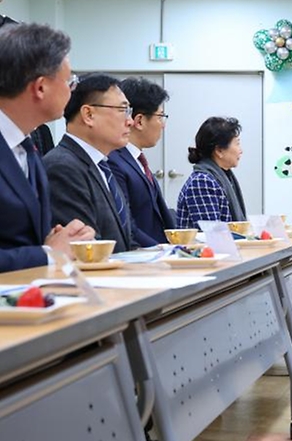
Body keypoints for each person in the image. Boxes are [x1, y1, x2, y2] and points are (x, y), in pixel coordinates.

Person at [0, 23, 94, 271]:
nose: (71, 90)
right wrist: (49, 253)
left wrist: (62, 239)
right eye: (69, 81)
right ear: (40, 87)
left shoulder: (26, 144)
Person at [44, 74, 136, 252]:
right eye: (123, 110)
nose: (130, 121)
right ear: (88, 114)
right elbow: (86, 249)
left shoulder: (102, 165)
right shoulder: (62, 167)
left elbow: (127, 240)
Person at [108, 77, 175, 247]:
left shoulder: (137, 160)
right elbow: (127, 224)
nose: (163, 125)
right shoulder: (113, 160)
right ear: (139, 121)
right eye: (160, 117)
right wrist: (161, 250)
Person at [177, 117, 247, 229]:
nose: (241, 150)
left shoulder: (224, 177)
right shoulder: (202, 182)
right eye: (237, 144)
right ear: (219, 150)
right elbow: (213, 235)